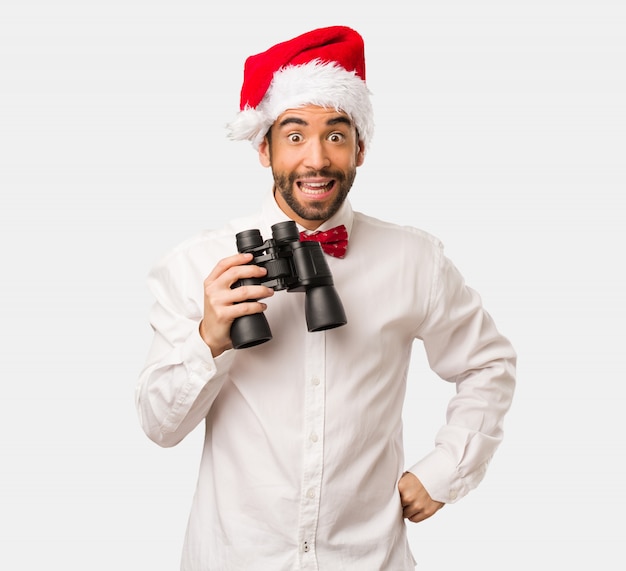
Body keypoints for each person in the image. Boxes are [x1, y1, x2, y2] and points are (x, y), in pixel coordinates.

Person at [135, 25, 517, 571]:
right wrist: (210, 338)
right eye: (294, 136)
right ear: (263, 148)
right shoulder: (196, 263)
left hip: (368, 558)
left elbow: (489, 363)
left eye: (336, 135)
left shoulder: (415, 260)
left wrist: (447, 470)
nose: (316, 160)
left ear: (361, 147)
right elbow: (159, 427)